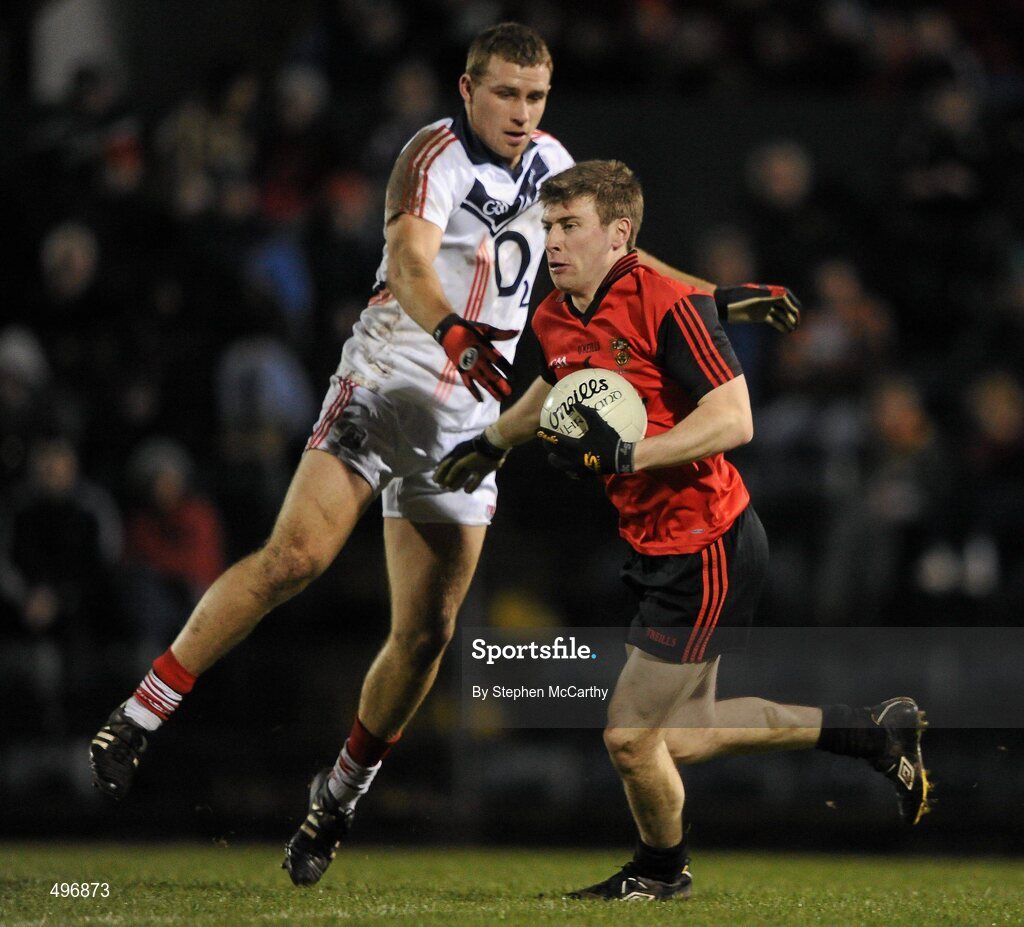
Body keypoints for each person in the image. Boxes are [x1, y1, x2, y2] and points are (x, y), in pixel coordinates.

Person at [89, 23, 799, 887]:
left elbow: (621, 253)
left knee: (426, 633)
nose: (522, 112)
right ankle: (141, 713)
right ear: (468, 90)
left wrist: (713, 296)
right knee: (296, 556)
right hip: (390, 381)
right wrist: (457, 334)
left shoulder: (550, 160)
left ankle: (337, 797)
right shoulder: (431, 157)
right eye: (506, 93)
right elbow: (412, 263)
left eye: (535, 97)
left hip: (472, 412)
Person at [435, 160, 930, 902]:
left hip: (708, 542)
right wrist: (496, 442)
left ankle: (661, 871)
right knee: (687, 736)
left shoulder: (664, 301)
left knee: (630, 737)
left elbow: (736, 419)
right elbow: (553, 386)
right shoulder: (556, 313)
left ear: (620, 235)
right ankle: (869, 734)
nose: (554, 242)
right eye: (549, 227)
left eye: (571, 227)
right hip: (660, 544)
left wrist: (628, 452)